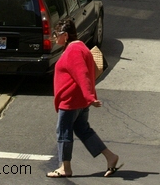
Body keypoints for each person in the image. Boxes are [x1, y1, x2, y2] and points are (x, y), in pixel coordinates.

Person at [47, 18, 121, 179]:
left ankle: (65, 167)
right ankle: (110, 156)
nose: (53, 38)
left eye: (55, 34)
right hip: (79, 101)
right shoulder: (80, 47)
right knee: (83, 130)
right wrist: (89, 97)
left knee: (63, 132)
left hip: (71, 101)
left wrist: (90, 96)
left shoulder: (74, 51)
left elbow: (83, 75)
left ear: (65, 35)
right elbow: (88, 74)